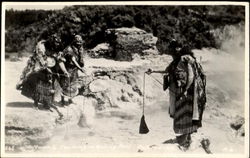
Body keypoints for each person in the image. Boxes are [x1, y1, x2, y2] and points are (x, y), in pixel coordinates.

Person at [146, 39, 206, 151]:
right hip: (179, 92)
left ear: (181, 48)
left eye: (178, 48)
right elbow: (167, 71)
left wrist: (185, 91)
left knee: (186, 114)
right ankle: (185, 137)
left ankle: (187, 139)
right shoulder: (175, 61)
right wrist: (153, 71)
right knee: (180, 114)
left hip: (188, 93)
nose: (175, 50)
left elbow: (191, 76)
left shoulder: (186, 58)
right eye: (174, 48)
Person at [58, 34, 87, 105]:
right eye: (78, 43)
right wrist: (80, 69)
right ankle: (62, 100)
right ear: (74, 42)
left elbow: (79, 59)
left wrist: (80, 66)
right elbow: (73, 60)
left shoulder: (79, 48)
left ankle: (70, 100)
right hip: (67, 68)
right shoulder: (69, 49)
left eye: (80, 43)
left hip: (74, 69)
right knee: (65, 84)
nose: (79, 44)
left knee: (73, 84)